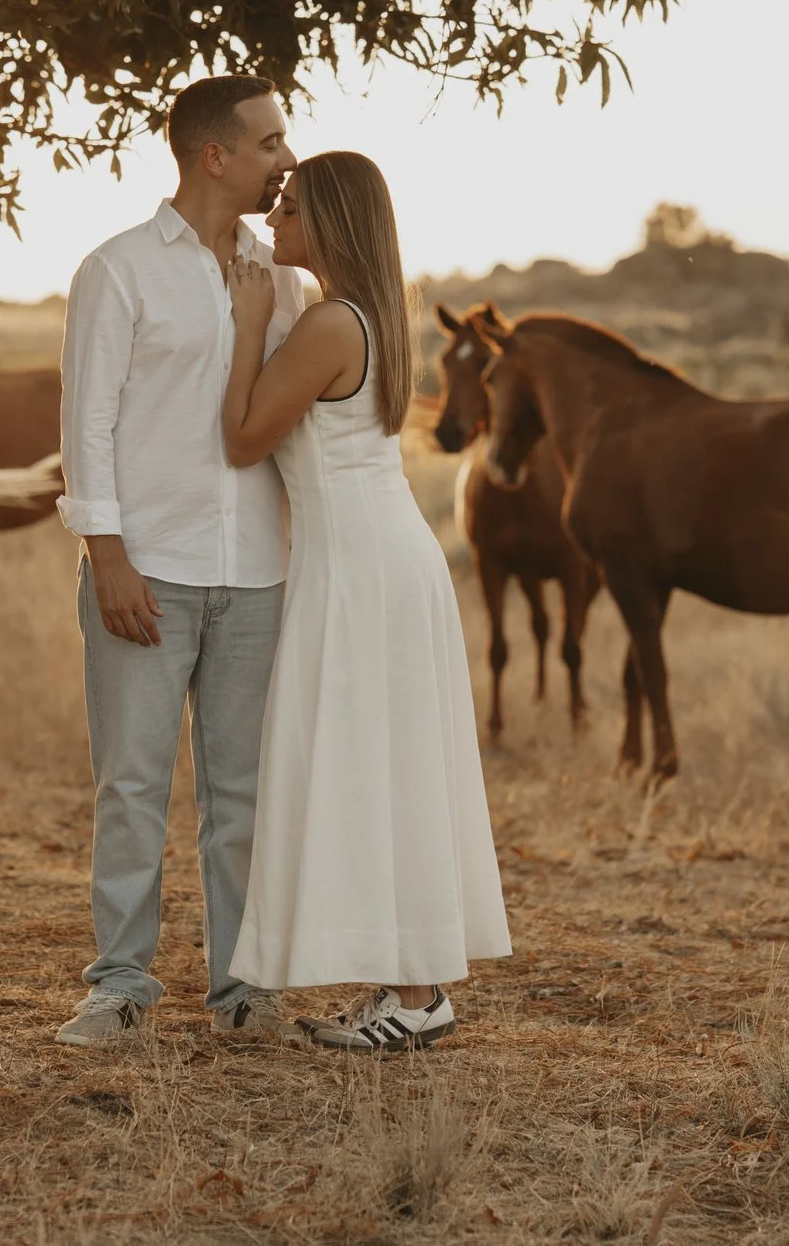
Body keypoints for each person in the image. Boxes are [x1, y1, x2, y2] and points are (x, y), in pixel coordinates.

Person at [219, 151, 511, 1050]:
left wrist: (246, 321)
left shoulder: (328, 326)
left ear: (331, 224)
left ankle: (418, 993)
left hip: (359, 569)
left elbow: (240, 438)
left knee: (373, 765)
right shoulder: (371, 314)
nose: (275, 222)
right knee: (388, 767)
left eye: (292, 209)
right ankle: (408, 986)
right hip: (378, 559)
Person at [52, 76, 305, 1047]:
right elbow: (91, 420)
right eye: (271, 142)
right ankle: (118, 981)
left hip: (256, 572)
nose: (285, 159)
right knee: (132, 782)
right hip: (147, 565)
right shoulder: (116, 270)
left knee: (242, 790)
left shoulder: (281, 274)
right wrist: (106, 552)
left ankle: (244, 986)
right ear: (216, 155)